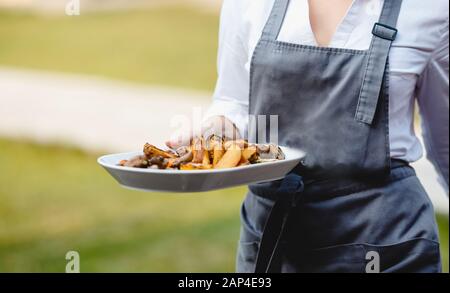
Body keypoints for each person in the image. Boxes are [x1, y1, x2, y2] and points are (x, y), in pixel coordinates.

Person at [167, 0, 449, 273]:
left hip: (384, 239)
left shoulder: (431, 6)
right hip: (273, 235)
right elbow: (233, 100)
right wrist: (217, 128)